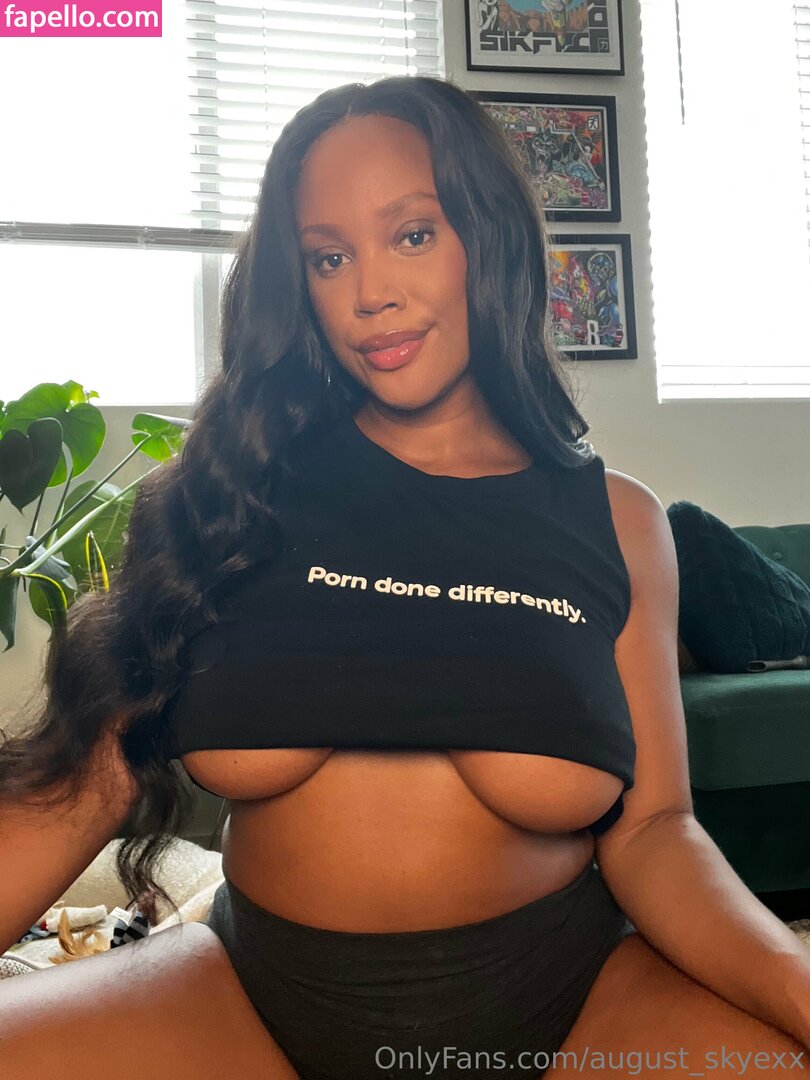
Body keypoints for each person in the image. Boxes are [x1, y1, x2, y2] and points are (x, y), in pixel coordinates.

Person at [0, 74, 808, 1080]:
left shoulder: (620, 522)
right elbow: (82, 781)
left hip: (568, 1004)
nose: (368, 291)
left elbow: (654, 831)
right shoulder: (224, 495)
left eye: (413, 235)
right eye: (328, 256)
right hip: (253, 1005)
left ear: (488, 238)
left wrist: (793, 978)